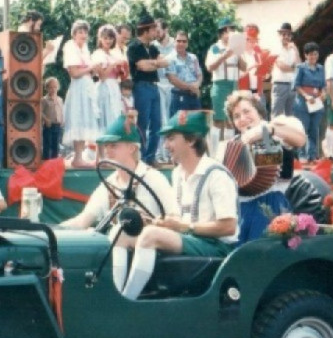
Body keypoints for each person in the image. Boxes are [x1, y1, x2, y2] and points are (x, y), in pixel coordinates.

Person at [120, 111, 239, 300]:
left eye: (171, 138)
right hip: (192, 239)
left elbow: (228, 226)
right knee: (123, 233)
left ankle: (127, 301)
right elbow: (181, 218)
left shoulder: (217, 175)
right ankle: (116, 295)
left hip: (217, 247)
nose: (166, 145)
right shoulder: (177, 173)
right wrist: (159, 222)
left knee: (150, 236)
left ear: (191, 140)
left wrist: (183, 226)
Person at [60, 114, 177, 291]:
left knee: (117, 232)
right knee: (100, 234)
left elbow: (175, 217)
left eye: (113, 145)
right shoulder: (110, 183)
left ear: (131, 148)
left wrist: (153, 224)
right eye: (106, 146)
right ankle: (116, 294)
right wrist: (54, 230)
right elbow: (84, 219)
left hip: (155, 248)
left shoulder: (154, 178)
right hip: (123, 247)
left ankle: (124, 297)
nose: (107, 150)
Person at [222, 91, 306, 244]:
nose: (242, 119)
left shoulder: (275, 131)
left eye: (247, 111)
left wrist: (267, 131)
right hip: (241, 210)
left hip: (271, 205)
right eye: (236, 116)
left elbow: (300, 140)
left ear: (259, 112)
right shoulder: (231, 145)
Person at [127, 15, 169, 166]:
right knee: (142, 123)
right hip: (141, 86)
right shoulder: (134, 47)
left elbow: (165, 62)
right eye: (153, 29)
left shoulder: (153, 47)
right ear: (146, 30)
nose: (156, 32)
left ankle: (150, 157)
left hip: (153, 86)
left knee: (157, 123)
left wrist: (153, 63)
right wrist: (155, 63)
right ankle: (141, 158)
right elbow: (141, 66)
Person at [62, 19, 99, 168]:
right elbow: (75, 72)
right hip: (78, 87)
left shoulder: (85, 48)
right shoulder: (70, 47)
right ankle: (77, 158)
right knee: (78, 119)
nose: (83, 35)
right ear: (74, 34)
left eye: (85, 32)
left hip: (87, 87)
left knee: (84, 120)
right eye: (80, 32)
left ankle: (80, 157)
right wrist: (90, 68)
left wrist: (94, 69)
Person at [205, 18, 245, 151]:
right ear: (222, 33)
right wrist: (225, 54)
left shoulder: (236, 48)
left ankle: (228, 152)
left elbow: (244, 67)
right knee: (218, 120)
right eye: (229, 30)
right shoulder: (215, 48)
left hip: (233, 85)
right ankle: (215, 152)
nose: (231, 33)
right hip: (220, 85)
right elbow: (210, 66)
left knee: (230, 120)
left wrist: (238, 53)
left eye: (232, 30)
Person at [293, 42, 326, 163]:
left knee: (314, 129)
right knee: (303, 128)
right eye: (310, 55)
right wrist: (306, 96)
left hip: (317, 101)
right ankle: (301, 155)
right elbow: (296, 85)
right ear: (305, 55)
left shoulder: (321, 68)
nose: (313, 57)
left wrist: (323, 93)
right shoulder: (300, 68)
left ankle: (312, 155)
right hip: (303, 102)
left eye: (315, 54)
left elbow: (323, 85)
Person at [91, 25, 124, 132]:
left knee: (115, 115)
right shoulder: (98, 54)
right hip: (104, 87)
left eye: (110, 38)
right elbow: (103, 76)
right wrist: (113, 64)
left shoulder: (114, 54)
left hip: (114, 86)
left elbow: (119, 75)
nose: (108, 41)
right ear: (100, 38)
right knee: (106, 118)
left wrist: (120, 70)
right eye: (105, 38)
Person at [166, 31, 202, 115]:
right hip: (179, 96)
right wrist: (191, 87)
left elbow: (199, 75)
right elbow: (173, 79)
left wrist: (197, 84)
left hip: (194, 96)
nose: (181, 43)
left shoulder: (193, 57)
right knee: (179, 126)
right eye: (178, 41)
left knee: (195, 125)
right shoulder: (169, 59)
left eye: (184, 41)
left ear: (187, 43)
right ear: (174, 42)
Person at [270, 22, 300, 118]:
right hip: (280, 84)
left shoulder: (292, 49)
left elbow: (299, 66)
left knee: (291, 115)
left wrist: (295, 49)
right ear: (280, 35)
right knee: (277, 114)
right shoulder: (275, 48)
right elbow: (282, 67)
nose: (286, 36)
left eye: (288, 34)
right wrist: (293, 68)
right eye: (284, 34)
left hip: (292, 85)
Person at [41, 77, 64, 160]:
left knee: (56, 145)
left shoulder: (60, 100)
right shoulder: (44, 100)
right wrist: (45, 119)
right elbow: (39, 111)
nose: (53, 89)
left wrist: (62, 120)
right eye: (51, 87)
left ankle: (54, 162)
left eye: (55, 87)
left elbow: (61, 111)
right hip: (49, 125)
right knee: (47, 145)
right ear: (46, 88)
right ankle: (46, 161)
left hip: (58, 125)